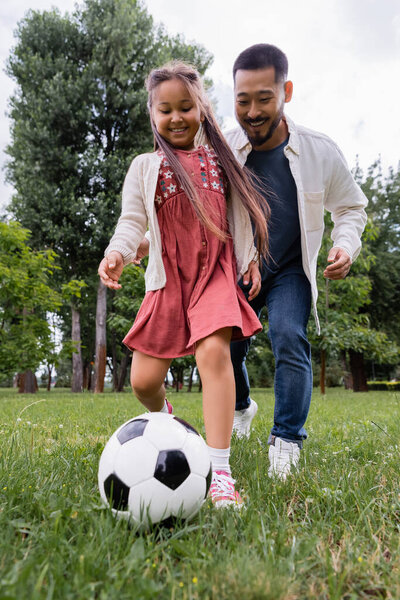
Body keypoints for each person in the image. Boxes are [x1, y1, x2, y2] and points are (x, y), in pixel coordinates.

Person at [98, 61, 270, 508]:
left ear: (202, 109)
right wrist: (117, 251)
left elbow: (241, 219)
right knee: (143, 381)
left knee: (214, 353)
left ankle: (221, 475)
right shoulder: (144, 166)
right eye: (165, 110)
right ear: (152, 115)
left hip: (213, 274)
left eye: (185, 107)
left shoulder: (221, 162)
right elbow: (132, 221)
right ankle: (165, 421)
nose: (176, 117)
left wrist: (249, 260)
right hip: (167, 280)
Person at [227, 44, 368, 479]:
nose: (252, 111)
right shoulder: (225, 148)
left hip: (290, 269)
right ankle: (240, 406)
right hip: (240, 266)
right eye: (242, 100)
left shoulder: (320, 151)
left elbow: (351, 208)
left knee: (289, 335)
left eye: (264, 98)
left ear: (285, 91)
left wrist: (346, 245)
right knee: (227, 347)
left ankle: (286, 442)